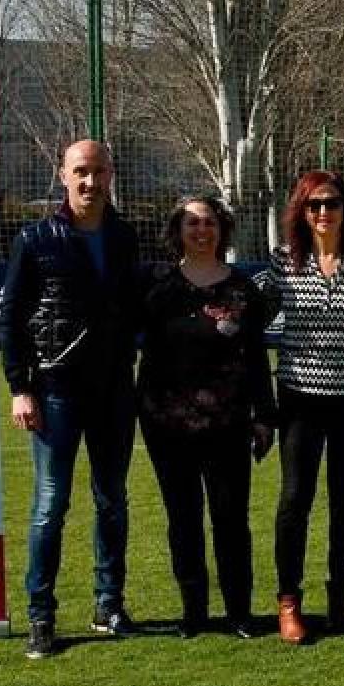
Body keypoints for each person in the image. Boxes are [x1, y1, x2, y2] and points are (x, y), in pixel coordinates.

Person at [0, 139, 146, 659]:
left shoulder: (125, 238)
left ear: (111, 176)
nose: (90, 181)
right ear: (63, 176)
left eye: (99, 172)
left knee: (113, 502)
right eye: (81, 171)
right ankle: (41, 614)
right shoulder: (35, 238)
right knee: (49, 505)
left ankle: (109, 604)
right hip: (56, 392)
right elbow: (11, 316)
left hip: (113, 392)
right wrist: (19, 387)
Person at [255, 170, 344, 644]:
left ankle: (339, 593)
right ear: (300, 210)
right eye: (313, 205)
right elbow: (247, 309)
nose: (322, 213)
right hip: (299, 399)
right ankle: (288, 601)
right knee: (294, 499)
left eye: (331, 203)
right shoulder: (283, 262)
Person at [137, 194, 278, 640]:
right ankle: (193, 611)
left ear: (222, 230)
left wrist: (264, 416)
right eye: (192, 223)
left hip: (229, 425)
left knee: (231, 519)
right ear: (178, 230)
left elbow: (256, 356)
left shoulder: (242, 289)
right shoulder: (158, 288)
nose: (202, 230)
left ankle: (239, 611)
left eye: (210, 223)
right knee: (183, 519)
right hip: (168, 427)